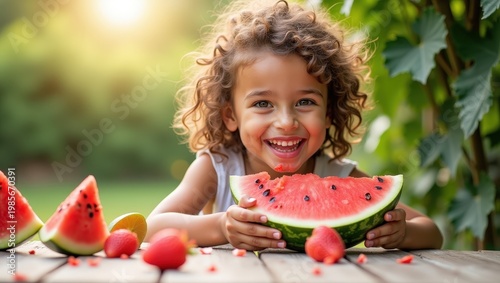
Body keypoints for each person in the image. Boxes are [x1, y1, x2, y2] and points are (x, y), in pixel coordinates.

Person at [146, 0, 443, 251]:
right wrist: (222, 226)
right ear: (230, 116)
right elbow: (151, 228)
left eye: (305, 102)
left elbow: (431, 230)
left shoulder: (338, 174)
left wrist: (404, 233)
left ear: (329, 112)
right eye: (263, 104)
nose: (286, 122)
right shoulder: (218, 167)